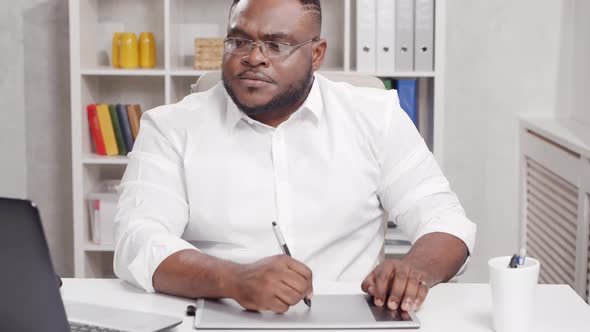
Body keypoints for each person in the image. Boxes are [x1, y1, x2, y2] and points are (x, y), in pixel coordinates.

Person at [113, 0, 476, 315]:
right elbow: (138, 239)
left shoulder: (375, 115)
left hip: (352, 317)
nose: (253, 57)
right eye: (239, 41)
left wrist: (414, 270)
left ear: (317, 54)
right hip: (220, 310)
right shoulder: (170, 127)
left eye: (276, 44)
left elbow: (444, 219)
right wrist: (233, 279)